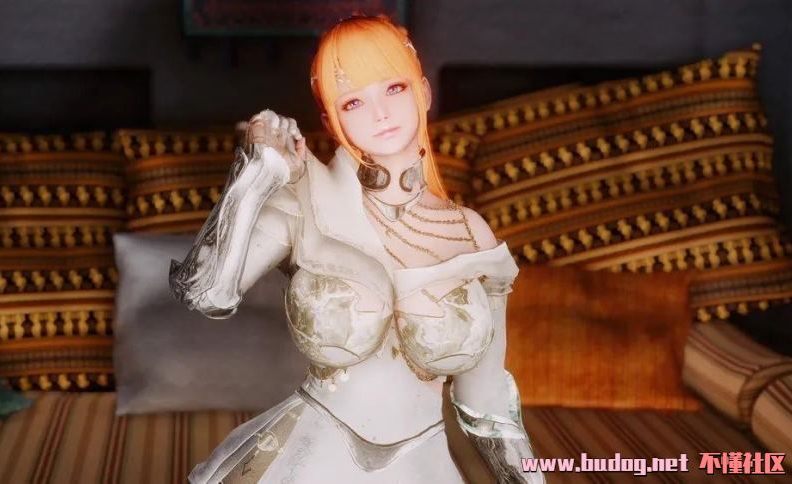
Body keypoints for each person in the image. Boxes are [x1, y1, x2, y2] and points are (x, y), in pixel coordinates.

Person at [169, 14, 545, 484]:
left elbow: (487, 406)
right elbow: (206, 294)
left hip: (425, 467)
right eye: (353, 102)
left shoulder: (471, 235)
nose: (379, 113)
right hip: (307, 462)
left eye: (393, 88)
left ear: (424, 92)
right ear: (332, 120)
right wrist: (255, 174)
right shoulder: (304, 200)